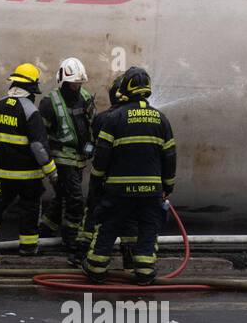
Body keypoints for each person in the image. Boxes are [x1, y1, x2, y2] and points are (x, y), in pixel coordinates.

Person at [81, 66, 177, 285]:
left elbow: (102, 156)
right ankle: (143, 271)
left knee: (108, 226)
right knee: (147, 229)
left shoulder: (114, 118)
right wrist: (167, 186)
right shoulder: (161, 120)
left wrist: (97, 182)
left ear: (125, 89)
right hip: (151, 192)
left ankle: (96, 268)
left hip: (118, 190)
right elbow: (170, 156)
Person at [0, 63, 57, 256]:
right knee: (29, 210)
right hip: (27, 176)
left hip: (1, 173)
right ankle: (28, 248)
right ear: (31, 88)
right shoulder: (31, 111)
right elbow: (38, 147)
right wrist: (52, 172)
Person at [73, 73, 137, 269]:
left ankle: (81, 255)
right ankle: (130, 260)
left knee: (93, 215)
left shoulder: (102, 119)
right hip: (127, 181)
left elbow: (93, 148)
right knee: (128, 220)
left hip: (103, 179)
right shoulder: (131, 119)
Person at [39, 56, 96, 248]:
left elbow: (91, 125)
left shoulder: (86, 97)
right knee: (75, 199)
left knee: (62, 195)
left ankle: (45, 229)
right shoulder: (49, 103)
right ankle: (71, 239)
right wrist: (46, 164)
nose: (76, 86)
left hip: (80, 158)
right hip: (62, 159)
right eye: (73, 83)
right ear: (63, 81)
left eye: (79, 83)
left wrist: (91, 145)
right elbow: (42, 136)